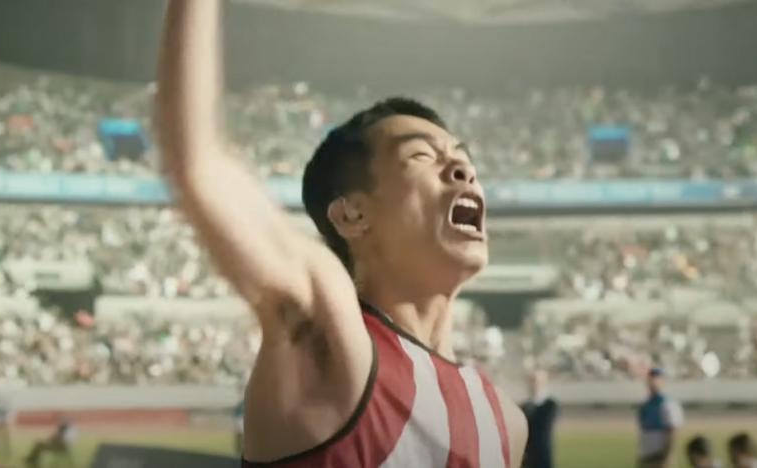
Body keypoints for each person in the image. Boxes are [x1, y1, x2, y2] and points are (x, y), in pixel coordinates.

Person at [155, 1, 528, 467]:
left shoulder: (507, 423)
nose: (462, 169)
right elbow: (200, 165)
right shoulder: (327, 336)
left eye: (462, 157)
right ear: (351, 216)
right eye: (420, 156)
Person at [636, 367, 684, 468]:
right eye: (650, 379)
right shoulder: (646, 405)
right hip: (646, 456)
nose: (653, 383)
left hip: (659, 457)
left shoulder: (668, 404)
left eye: (656, 379)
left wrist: (668, 457)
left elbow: (672, 432)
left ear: (663, 381)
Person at [519, 370, 558, 468]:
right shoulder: (525, 406)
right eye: (532, 381)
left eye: (536, 381)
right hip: (527, 457)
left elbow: (541, 428)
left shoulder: (551, 405)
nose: (534, 384)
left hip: (542, 455)